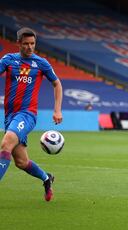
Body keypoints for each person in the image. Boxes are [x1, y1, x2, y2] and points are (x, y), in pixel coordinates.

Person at [0, 27, 63, 201]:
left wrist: (57, 109)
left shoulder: (41, 63)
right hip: (10, 117)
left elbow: (57, 84)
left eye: (32, 44)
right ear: (18, 43)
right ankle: (46, 178)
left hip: (27, 114)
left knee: (5, 144)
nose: (30, 47)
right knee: (21, 162)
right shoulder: (8, 60)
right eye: (26, 44)